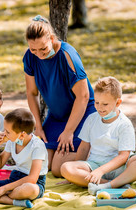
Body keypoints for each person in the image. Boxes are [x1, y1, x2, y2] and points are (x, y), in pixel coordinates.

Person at [23, 15, 96, 177]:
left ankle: (102, 155)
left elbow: (83, 97)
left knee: (57, 168)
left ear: (51, 38)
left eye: (43, 49)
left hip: (83, 113)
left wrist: (69, 131)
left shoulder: (67, 55)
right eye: (33, 49)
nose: (39, 54)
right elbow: (31, 93)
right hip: (56, 117)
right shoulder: (30, 57)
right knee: (43, 163)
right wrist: (39, 127)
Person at [60, 77, 136, 194]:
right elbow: (84, 147)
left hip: (120, 168)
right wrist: (73, 177)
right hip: (94, 165)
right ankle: (112, 185)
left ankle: (111, 184)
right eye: (97, 102)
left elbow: (123, 156)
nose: (99, 108)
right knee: (66, 168)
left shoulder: (124, 124)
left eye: (105, 104)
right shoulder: (91, 119)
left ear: (118, 102)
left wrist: (101, 170)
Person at [0, 108, 48, 208]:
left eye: (7, 132)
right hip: (14, 179)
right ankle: (13, 201)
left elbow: (32, 179)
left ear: (22, 135)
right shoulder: (12, 142)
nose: (4, 133)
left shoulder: (37, 146)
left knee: (29, 189)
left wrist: (4, 189)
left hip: (33, 183)